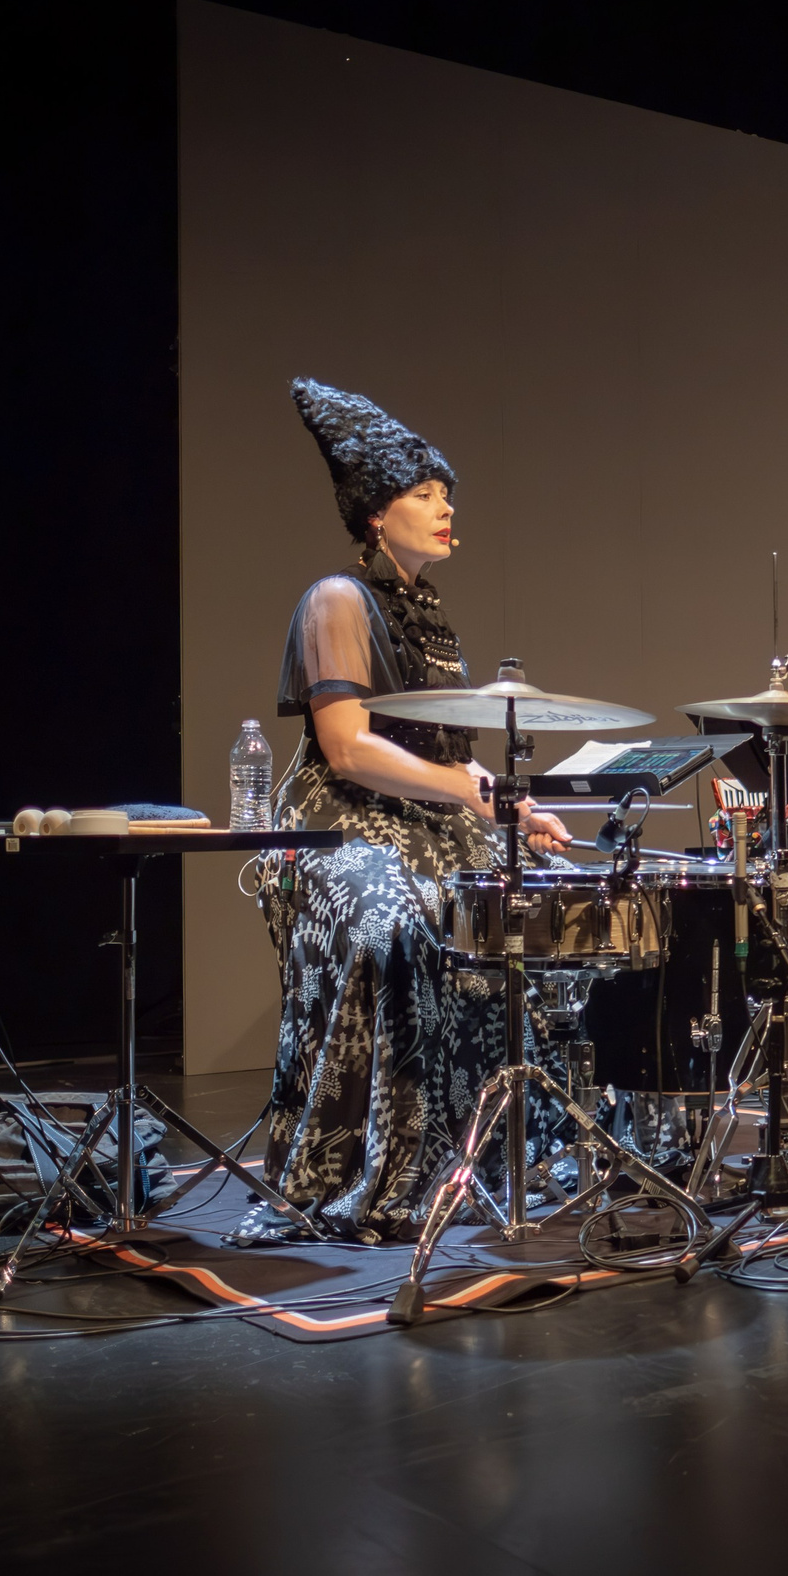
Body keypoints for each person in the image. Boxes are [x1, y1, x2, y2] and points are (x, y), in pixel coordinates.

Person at [242, 379, 572, 1244]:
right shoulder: (337, 601)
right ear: (374, 515)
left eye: (448, 494)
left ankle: (511, 1145)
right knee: (397, 920)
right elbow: (347, 746)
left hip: (430, 823)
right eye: (424, 494)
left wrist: (513, 807)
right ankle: (376, 1163)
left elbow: (453, 763)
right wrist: (468, 790)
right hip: (338, 823)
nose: (445, 507)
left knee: (544, 900)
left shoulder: (435, 622)